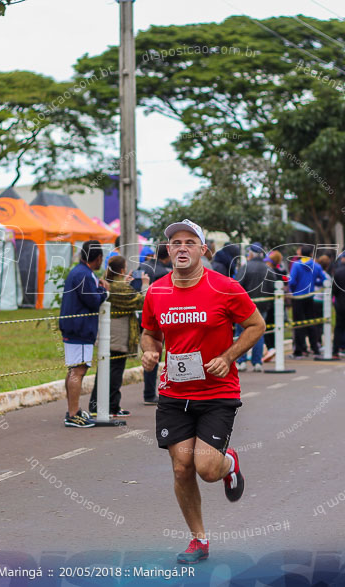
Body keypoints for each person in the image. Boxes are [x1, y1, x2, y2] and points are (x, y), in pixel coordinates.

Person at [140, 219, 265, 564]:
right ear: (168, 250)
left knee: (207, 469)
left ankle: (229, 463)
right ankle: (199, 539)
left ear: (203, 250)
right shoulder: (157, 291)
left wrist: (229, 356)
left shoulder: (225, 287)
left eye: (189, 242)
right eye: (175, 242)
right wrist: (148, 350)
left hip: (216, 392)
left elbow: (256, 325)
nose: (181, 247)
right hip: (175, 393)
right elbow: (149, 332)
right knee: (182, 468)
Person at [89, 255, 149, 418]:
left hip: (109, 333)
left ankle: (98, 405)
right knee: (115, 371)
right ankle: (111, 407)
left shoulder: (110, 284)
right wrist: (144, 284)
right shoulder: (119, 287)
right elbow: (142, 302)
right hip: (118, 334)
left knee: (105, 370)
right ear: (122, 270)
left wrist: (126, 283)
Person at [59, 240, 108, 428]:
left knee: (74, 369)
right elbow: (93, 301)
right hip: (79, 328)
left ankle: (73, 410)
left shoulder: (79, 272)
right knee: (78, 370)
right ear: (98, 258)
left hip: (73, 327)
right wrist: (104, 291)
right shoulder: (85, 274)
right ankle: (73, 414)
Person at [141, 244, 173, 404]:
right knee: (156, 354)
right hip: (159, 319)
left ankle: (148, 392)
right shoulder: (162, 273)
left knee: (148, 353)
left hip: (141, 315)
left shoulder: (142, 266)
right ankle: (150, 393)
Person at [234, 243, 273, 372]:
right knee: (259, 332)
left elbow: (237, 286)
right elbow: (272, 289)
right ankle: (257, 363)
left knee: (241, 334)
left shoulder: (245, 267)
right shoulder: (268, 269)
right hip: (263, 307)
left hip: (245, 307)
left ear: (250, 253)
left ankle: (242, 361)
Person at [288, 244, 327, 358]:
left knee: (298, 324)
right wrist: (315, 283)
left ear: (300, 253)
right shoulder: (316, 266)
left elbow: (292, 282)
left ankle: (300, 350)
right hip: (310, 297)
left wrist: (294, 290)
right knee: (311, 323)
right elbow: (324, 280)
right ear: (311, 254)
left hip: (297, 298)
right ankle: (315, 348)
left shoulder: (296, 265)